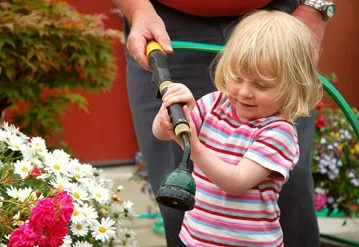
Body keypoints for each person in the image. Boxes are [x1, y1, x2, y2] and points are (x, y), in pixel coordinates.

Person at [112, 0, 333, 246]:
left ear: (292, 86)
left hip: (249, 242)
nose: (245, 92)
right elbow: (164, 133)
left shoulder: (279, 132)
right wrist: (169, 115)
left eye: (260, 85)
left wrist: (192, 145)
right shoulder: (216, 103)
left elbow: (236, 182)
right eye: (237, 78)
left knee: (295, 199)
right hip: (197, 240)